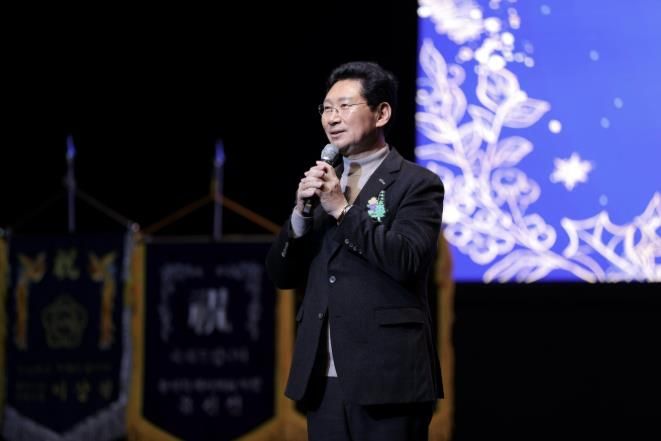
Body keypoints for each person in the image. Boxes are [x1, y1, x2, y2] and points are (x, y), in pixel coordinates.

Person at [266, 61, 444, 441]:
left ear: (382, 113)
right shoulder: (324, 183)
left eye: (345, 106)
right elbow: (281, 276)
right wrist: (300, 215)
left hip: (389, 379)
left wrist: (343, 210)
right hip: (323, 378)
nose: (332, 118)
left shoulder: (417, 183)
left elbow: (406, 260)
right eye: (327, 108)